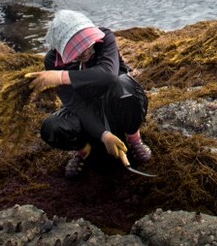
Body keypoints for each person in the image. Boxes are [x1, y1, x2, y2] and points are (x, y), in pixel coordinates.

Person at [26, 10, 152, 180]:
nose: (85, 52)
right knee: (52, 127)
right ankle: (84, 149)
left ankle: (133, 137)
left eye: (87, 44)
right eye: (76, 50)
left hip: (116, 101)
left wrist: (62, 76)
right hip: (84, 111)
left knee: (122, 84)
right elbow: (75, 104)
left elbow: (108, 75)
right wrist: (104, 135)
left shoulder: (105, 38)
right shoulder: (52, 60)